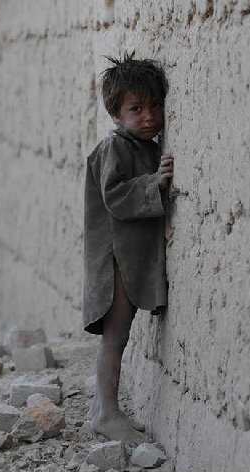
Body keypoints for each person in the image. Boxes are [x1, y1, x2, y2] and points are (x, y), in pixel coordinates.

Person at [82, 52, 174, 444]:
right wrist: (155, 184)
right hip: (115, 259)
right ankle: (107, 413)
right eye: (136, 108)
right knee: (116, 335)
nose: (149, 115)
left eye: (155, 105)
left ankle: (100, 408)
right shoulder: (115, 147)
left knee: (119, 333)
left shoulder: (141, 145)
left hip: (127, 256)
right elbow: (115, 196)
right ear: (116, 114)